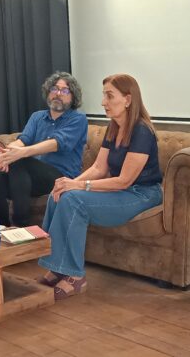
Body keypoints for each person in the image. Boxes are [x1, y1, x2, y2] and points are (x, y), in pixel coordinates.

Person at [37, 74, 163, 300]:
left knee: (73, 200)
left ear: (128, 99)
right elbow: (98, 167)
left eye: (109, 96)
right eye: (104, 96)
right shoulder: (113, 128)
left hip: (142, 194)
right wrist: (69, 184)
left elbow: (124, 181)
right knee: (59, 194)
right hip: (121, 190)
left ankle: (75, 277)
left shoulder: (142, 131)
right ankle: (58, 266)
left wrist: (77, 186)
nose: (103, 102)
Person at [0, 72, 88, 227]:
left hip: (60, 177)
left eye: (65, 90)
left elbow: (57, 143)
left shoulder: (78, 119)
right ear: (48, 92)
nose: (58, 94)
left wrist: (20, 154)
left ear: (73, 97)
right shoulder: (37, 117)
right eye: (54, 89)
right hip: (30, 177)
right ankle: (1, 228)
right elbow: (23, 140)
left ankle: (21, 225)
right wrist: (8, 152)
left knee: (20, 160)